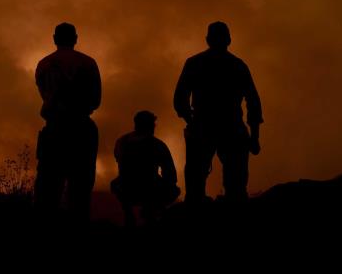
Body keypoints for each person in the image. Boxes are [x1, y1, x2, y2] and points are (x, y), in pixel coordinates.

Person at [174, 21, 263, 204]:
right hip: (231, 128)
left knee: (196, 182)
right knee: (236, 186)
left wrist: (190, 119)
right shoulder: (238, 66)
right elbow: (253, 102)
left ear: (208, 40)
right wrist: (254, 137)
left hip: (203, 126)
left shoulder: (194, 63)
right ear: (229, 40)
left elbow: (180, 98)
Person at [34, 22, 102, 221]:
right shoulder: (88, 63)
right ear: (75, 38)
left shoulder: (43, 64)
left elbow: (43, 93)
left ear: (54, 38)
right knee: (81, 186)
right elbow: (96, 99)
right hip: (81, 127)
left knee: (48, 184)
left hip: (53, 128)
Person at [111, 111, 180, 226]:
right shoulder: (157, 145)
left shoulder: (121, 141)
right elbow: (170, 174)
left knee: (117, 184)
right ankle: (150, 212)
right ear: (151, 126)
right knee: (174, 190)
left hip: (126, 188)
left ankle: (129, 213)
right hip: (149, 188)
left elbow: (120, 164)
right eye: (153, 125)